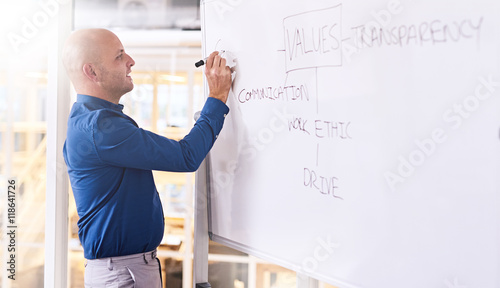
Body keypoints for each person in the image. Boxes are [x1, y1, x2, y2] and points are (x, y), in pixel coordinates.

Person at [62, 28, 232, 288]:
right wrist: (217, 97)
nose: (131, 61)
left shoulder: (93, 120)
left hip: (126, 269)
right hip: (123, 274)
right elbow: (185, 157)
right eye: (119, 57)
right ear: (92, 72)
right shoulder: (101, 127)